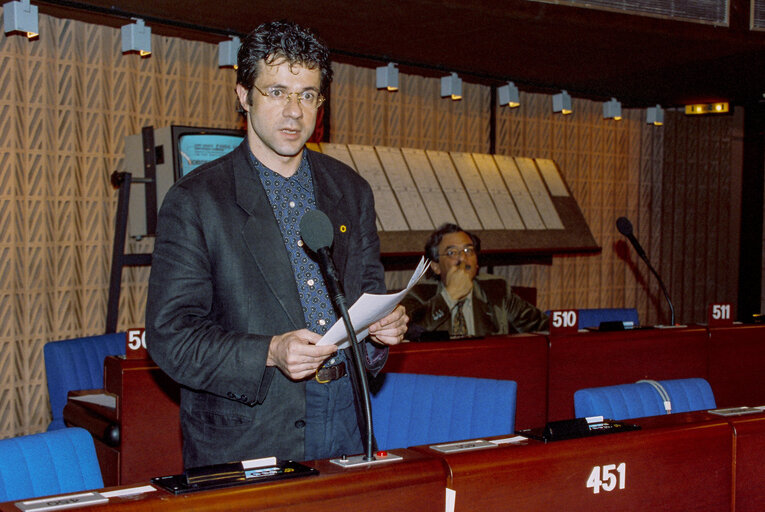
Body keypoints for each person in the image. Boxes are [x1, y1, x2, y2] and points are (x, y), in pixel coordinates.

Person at [145, 20, 407, 469]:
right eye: (277, 92)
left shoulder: (351, 190)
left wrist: (382, 330)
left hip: (347, 417)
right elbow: (171, 338)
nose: (293, 111)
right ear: (244, 96)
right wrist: (270, 350)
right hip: (248, 431)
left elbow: (366, 294)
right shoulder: (195, 200)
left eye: (307, 95)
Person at [401, 223, 548, 340]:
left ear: (477, 262)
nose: (463, 259)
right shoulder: (419, 294)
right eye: (452, 252)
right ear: (436, 266)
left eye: (468, 251)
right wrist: (449, 297)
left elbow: (544, 327)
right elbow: (408, 332)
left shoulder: (497, 291)